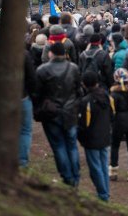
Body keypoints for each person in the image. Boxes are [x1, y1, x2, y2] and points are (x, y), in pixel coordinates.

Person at [33, 42, 82, 187]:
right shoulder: (73, 68)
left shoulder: (42, 70)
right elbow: (79, 90)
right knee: (72, 145)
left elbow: (37, 93)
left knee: (58, 145)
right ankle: (75, 176)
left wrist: (39, 108)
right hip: (70, 112)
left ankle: (67, 177)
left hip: (51, 113)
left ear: (50, 53)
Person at [77, 72, 111, 202]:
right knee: (103, 166)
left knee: (95, 168)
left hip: (91, 139)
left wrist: (81, 138)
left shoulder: (86, 101)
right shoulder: (107, 96)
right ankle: (105, 192)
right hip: (105, 136)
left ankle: (103, 194)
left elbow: (83, 124)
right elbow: (112, 116)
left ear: (84, 84)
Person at [109, 68, 128, 183]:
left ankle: (113, 170)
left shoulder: (114, 94)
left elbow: (111, 110)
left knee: (115, 146)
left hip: (119, 121)